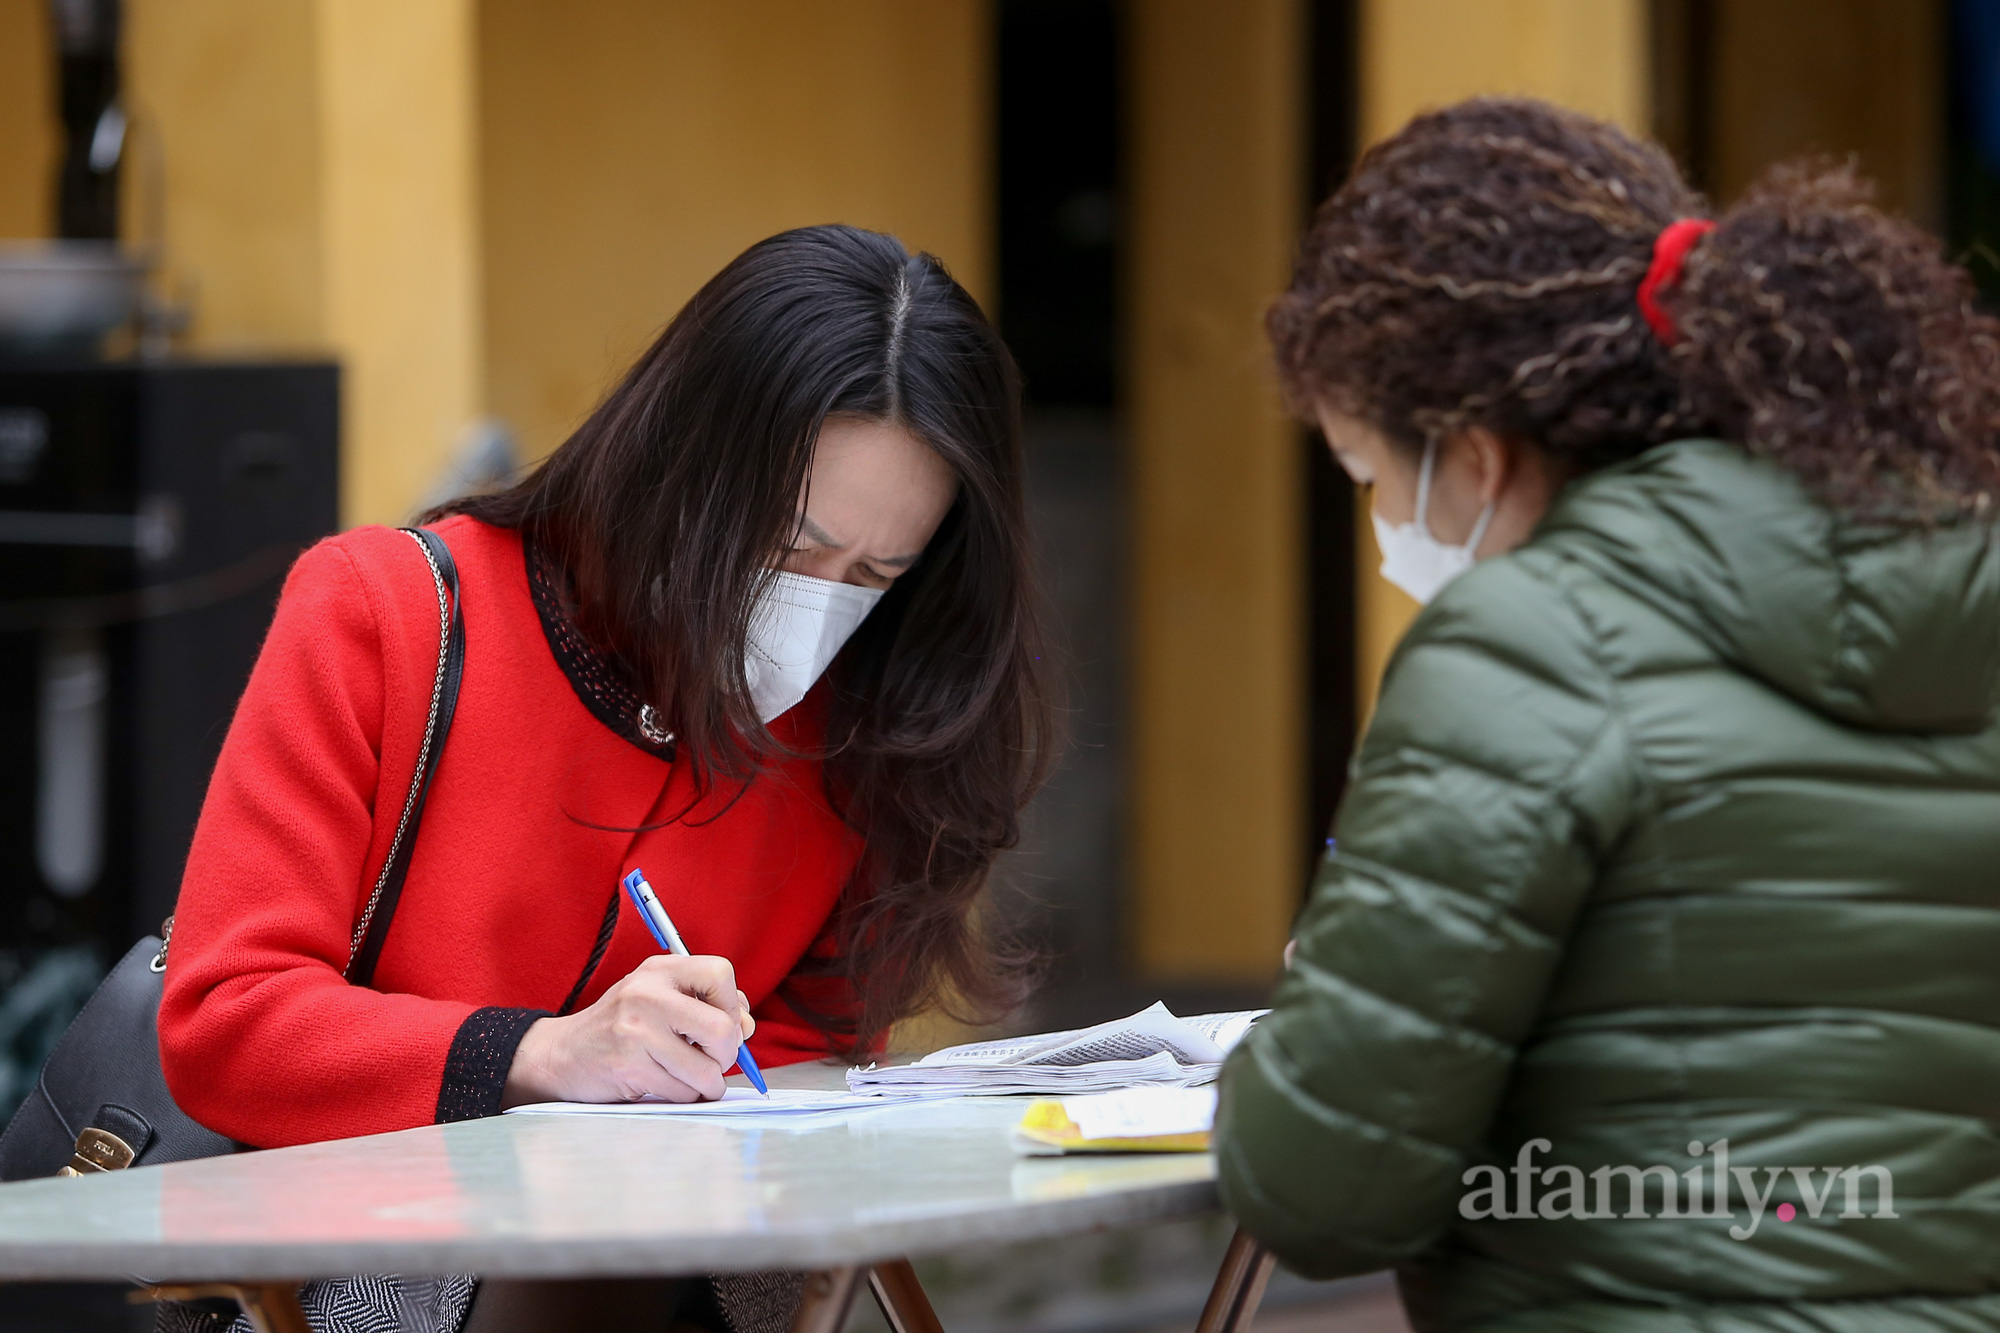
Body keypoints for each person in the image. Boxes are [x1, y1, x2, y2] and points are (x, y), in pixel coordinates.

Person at [156, 224, 1052, 1332]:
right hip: (367, 1280)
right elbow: (225, 1019)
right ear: (681, 464)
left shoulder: (871, 728)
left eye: (874, 573)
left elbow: (806, 1060)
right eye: (787, 545)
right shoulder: (386, 614)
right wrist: (544, 1053)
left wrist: (697, 1076)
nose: (821, 601)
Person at [1216, 97, 2000, 1330]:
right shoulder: (1964, 606)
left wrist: (1318, 1027)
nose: (1381, 533)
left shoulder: (1529, 646)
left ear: (1475, 455)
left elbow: (1322, 1193)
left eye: (1369, 478)